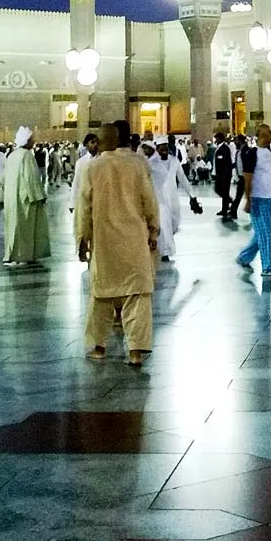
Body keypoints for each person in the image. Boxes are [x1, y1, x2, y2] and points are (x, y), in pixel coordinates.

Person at [75, 120, 159, 365]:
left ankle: (99, 347)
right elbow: (149, 200)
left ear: (101, 143)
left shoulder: (93, 168)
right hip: (134, 239)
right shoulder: (137, 164)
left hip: (105, 241)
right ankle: (135, 352)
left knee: (102, 294)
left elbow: (84, 208)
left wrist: (83, 239)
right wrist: (153, 230)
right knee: (137, 295)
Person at [236, 123, 271, 277]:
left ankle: (244, 257)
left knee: (261, 232)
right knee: (265, 234)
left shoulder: (268, 152)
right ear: (261, 136)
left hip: (267, 198)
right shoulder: (252, 154)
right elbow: (247, 178)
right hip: (257, 199)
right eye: (269, 133)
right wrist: (248, 200)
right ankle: (267, 267)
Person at [2, 127, 51, 266]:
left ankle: (12, 253)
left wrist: (1, 197)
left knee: (13, 226)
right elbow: (30, 177)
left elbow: (3, 178)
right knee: (23, 228)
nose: (34, 141)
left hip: (11, 198)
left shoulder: (12, 155)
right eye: (32, 139)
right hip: (24, 199)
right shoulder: (26, 155)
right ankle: (21, 255)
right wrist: (38, 195)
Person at [150, 139, 195, 261]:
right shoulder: (151, 163)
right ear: (157, 148)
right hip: (159, 199)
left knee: (174, 223)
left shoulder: (174, 161)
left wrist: (192, 195)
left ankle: (165, 245)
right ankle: (164, 251)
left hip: (173, 198)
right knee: (164, 225)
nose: (164, 148)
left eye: (165, 146)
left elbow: (182, 178)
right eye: (161, 146)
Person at [212, 132, 236, 220]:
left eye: (217, 138)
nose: (216, 140)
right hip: (219, 174)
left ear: (220, 139)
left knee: (222, 191)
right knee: (219, 190)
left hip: (224, 175)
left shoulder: (225, 148)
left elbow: (227, 163)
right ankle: (225, 208)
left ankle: (229, 205)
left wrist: (225, 175)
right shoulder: (219, 148)